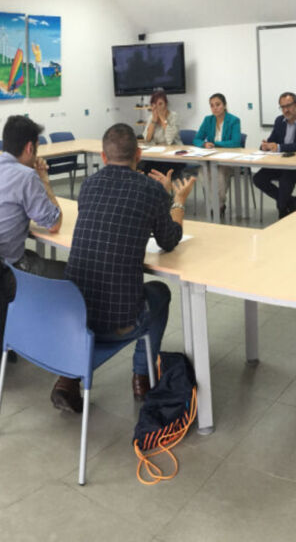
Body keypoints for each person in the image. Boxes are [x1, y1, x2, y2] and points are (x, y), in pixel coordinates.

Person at [53, 123, 195, 413]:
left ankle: (67, 380)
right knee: (160, 292)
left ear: (103, 158)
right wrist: (176, 202)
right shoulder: (150, 190)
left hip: (74, 311)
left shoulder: (89, 185)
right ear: (139, 155)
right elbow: (169, 240)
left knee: (100, 279)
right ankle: (142, 378)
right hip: (119, 319)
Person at [0, 115, 64, 277]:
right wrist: (44, 180)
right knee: (71, 271)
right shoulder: (27, 176)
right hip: (3, 270)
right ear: (30, 148)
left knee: (33, 256)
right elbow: (54, 224)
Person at [252, 91, 296, 218]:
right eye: (282, 107)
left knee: (285, 180)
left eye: (288, 106)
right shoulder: (279, 121)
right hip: (280, 163)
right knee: (258, 178)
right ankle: (289, 201)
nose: (285, 110)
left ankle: (282, 209)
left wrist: (280, 147)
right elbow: (272, 140)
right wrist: (265, 146)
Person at [193, 93, 242, 218]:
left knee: (219, 176)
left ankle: (218, 205)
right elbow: (196, 139)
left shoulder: (234, 120)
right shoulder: (208, 120)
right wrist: (204, 144)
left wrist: (215, 143)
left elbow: (236, 142)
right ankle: (218, 204)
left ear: (224, 105)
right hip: (211, 159)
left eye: (218, 104)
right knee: (202, 174)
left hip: (228, 160)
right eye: (212, 105)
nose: (215, 108)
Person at [140, 90, 183, 177]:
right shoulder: (151, 117)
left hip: (172, 155)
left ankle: (162, 189)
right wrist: (153, 121)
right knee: (144, 167)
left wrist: (163, 119)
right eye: (154, 105)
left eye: (160, 104)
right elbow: (147, 139)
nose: (157, 108)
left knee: (163, 170)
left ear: (166, 104)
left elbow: (169, 140)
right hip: (156, 154)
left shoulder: (174, 116)